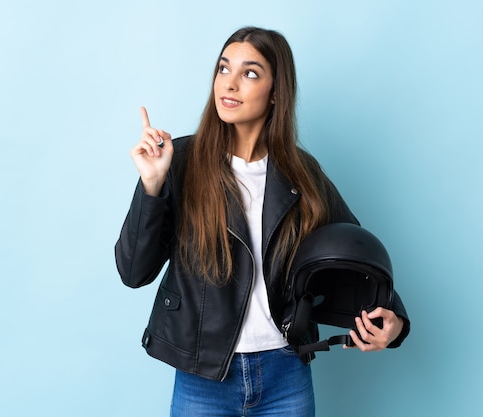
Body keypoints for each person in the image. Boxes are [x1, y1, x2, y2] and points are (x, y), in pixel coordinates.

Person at [115, 26, 410, 417]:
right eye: (224, 69)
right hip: (204, 378)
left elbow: (354, 253)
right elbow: (134, 271)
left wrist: (395, 322)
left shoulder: (302, 176)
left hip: (284, 374)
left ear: (276, 94)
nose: (230, 83)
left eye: (249, 73)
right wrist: (151, 185)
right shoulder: (179, 162)